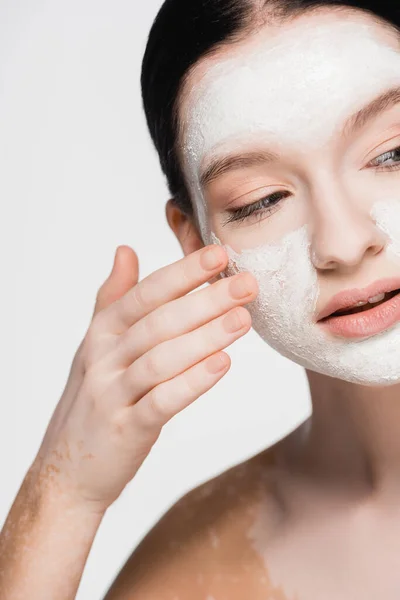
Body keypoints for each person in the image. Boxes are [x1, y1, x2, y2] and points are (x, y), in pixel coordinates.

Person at [2, 1, 400, 598]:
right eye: (261, 200)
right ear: (198, 243)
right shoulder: (197, 575)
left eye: (394, 153)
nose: (343, 242)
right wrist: (61, 497)